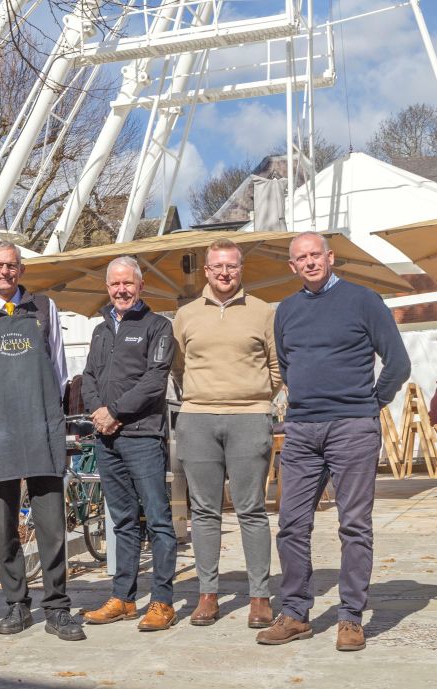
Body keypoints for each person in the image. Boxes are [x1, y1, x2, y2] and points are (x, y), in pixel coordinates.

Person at [257, 232, 410, 651]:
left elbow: (398, 362)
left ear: (330, 257)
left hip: (352, 428)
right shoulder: (285, 310)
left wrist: (368, 404)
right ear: (292, 266)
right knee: (290, 524)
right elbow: (289, 366)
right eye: (300, 258)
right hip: (303, 429)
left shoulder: (364, 300)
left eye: (315, 255)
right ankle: (294, 613)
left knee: (354, 525)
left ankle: (350, 618)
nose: (309, 262)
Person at [0, 240, 86, 642]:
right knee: (4, 525)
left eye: (11, 266)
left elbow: (61, 373)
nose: (4, 272)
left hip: (42, 428)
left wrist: (54, 421)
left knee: (51, 525)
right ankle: (16, 603)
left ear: (21, 270)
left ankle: (57, 606)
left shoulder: (44, 309)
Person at [171, 238, 281, 628]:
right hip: (198, 418)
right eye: (217, 266)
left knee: (251, 509)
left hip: (249, 417)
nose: (224, 272)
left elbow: (275, 366)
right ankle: (207, 594)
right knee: (203, 511)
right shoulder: (185, 315)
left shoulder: (263, 312)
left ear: (241, 269)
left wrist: (253, 398)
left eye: (231, 266)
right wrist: (202, 397)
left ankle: (259, 596)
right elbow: (179, 366)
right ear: (206, 270)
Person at [81, 256, 178, 631]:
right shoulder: (100, 330)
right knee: (121, 522)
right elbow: (89, 375)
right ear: (108, 289)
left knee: (158, 520)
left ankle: (163, 601)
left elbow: (155, 381)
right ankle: (123, 597)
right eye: (114, 284)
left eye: (128, 283)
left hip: (142, 436)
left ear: (140, 285)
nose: (121, 290)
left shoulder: (158, 327)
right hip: (107, 439)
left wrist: (115, 411)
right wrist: (98, 412)